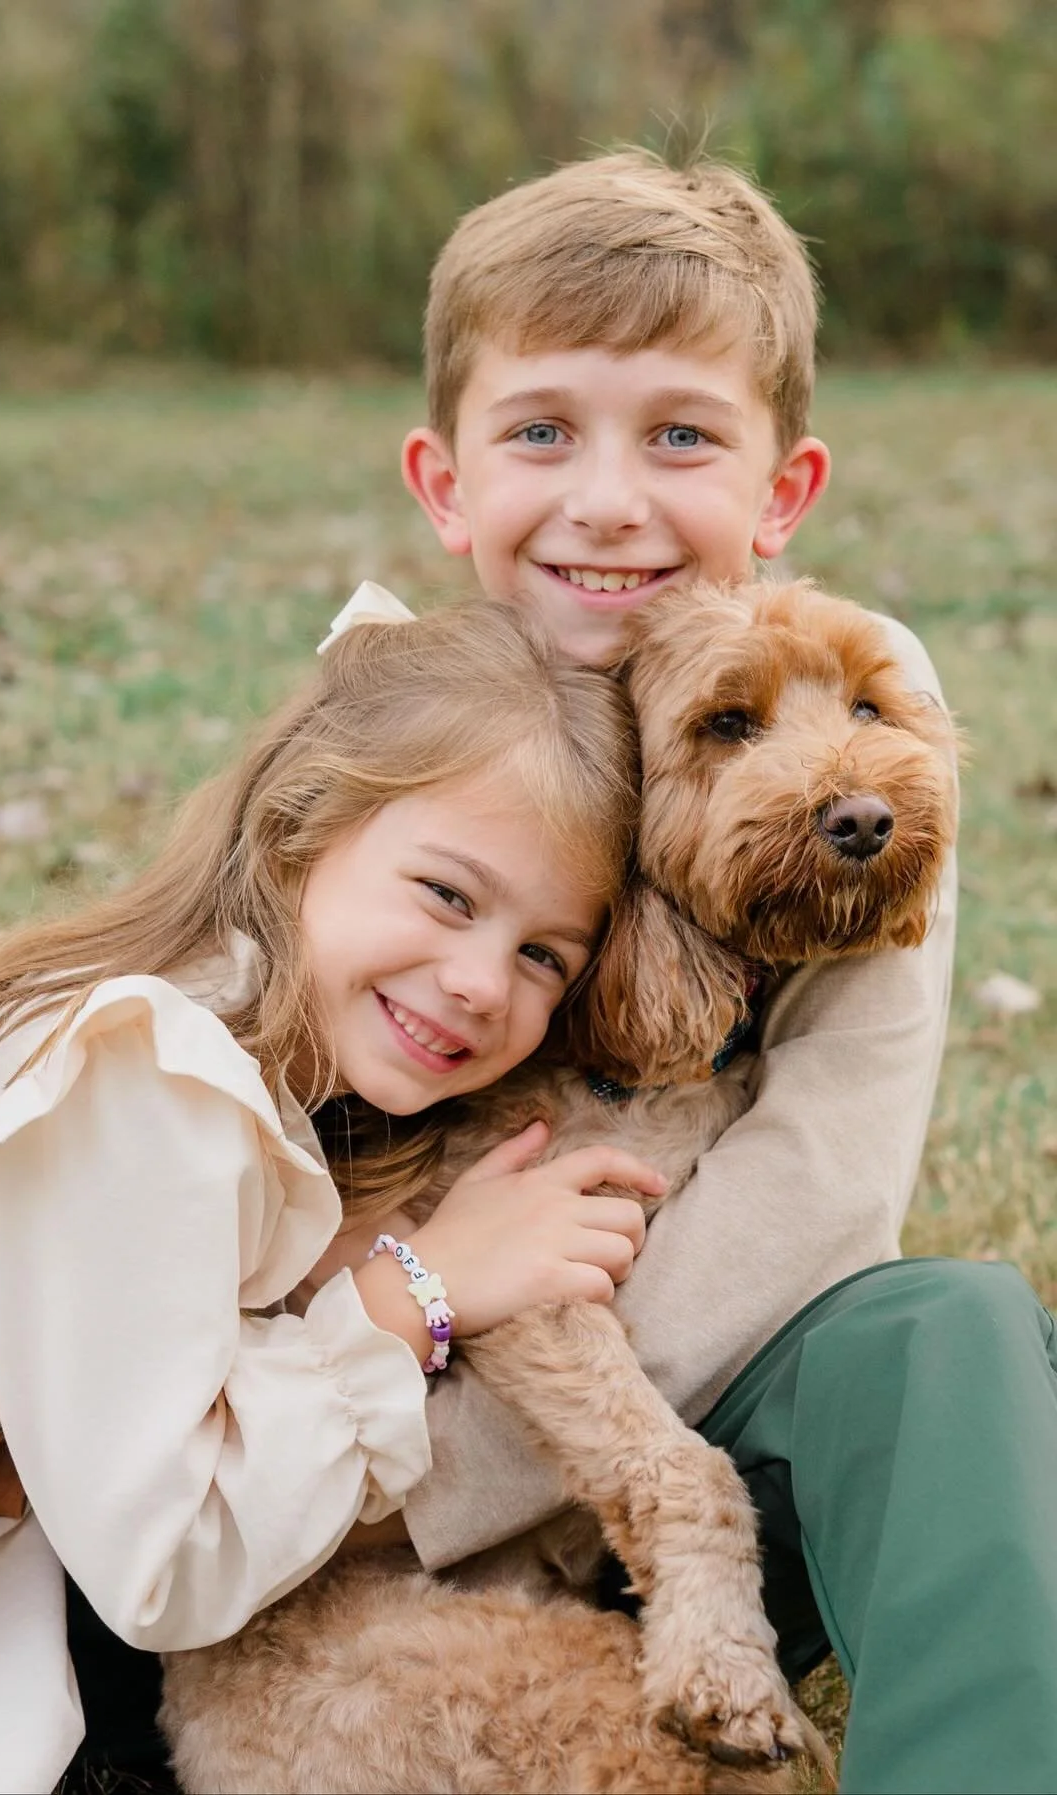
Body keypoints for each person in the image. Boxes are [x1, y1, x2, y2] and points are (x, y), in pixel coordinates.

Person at [0, 601, 670, 1795]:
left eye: (545, 956)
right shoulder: (152, 1079)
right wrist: (417, 1292)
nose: (484, 981)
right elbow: (165, 1563)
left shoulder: (231, 1049)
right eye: (446, 894)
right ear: (295, 834)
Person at [386, 150, 1054, 1794]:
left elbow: (821, 1198)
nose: (609, 500)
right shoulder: (379, 750)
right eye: (543, 432)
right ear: (447, 480)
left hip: (680, 1425)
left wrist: (601, 1472)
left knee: (956, 1335)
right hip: (356, 1461)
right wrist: (321, 1459)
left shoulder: (859, 717)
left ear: (781, 491)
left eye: (679, 436)